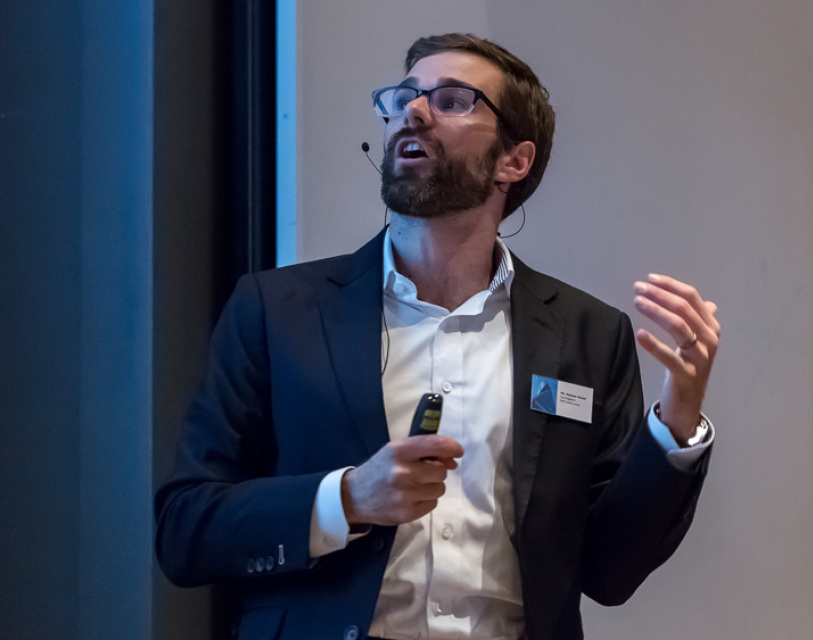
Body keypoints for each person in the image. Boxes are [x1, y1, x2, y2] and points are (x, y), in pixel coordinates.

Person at [155, 33, 720, 640]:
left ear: (514, 161)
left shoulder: (588, 335)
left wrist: (677, 423)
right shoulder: (277, 311)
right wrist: (347, 498)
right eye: (404, 98)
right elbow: (186, 530)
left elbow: (610, 571)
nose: (414, 112)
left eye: (452, 100)